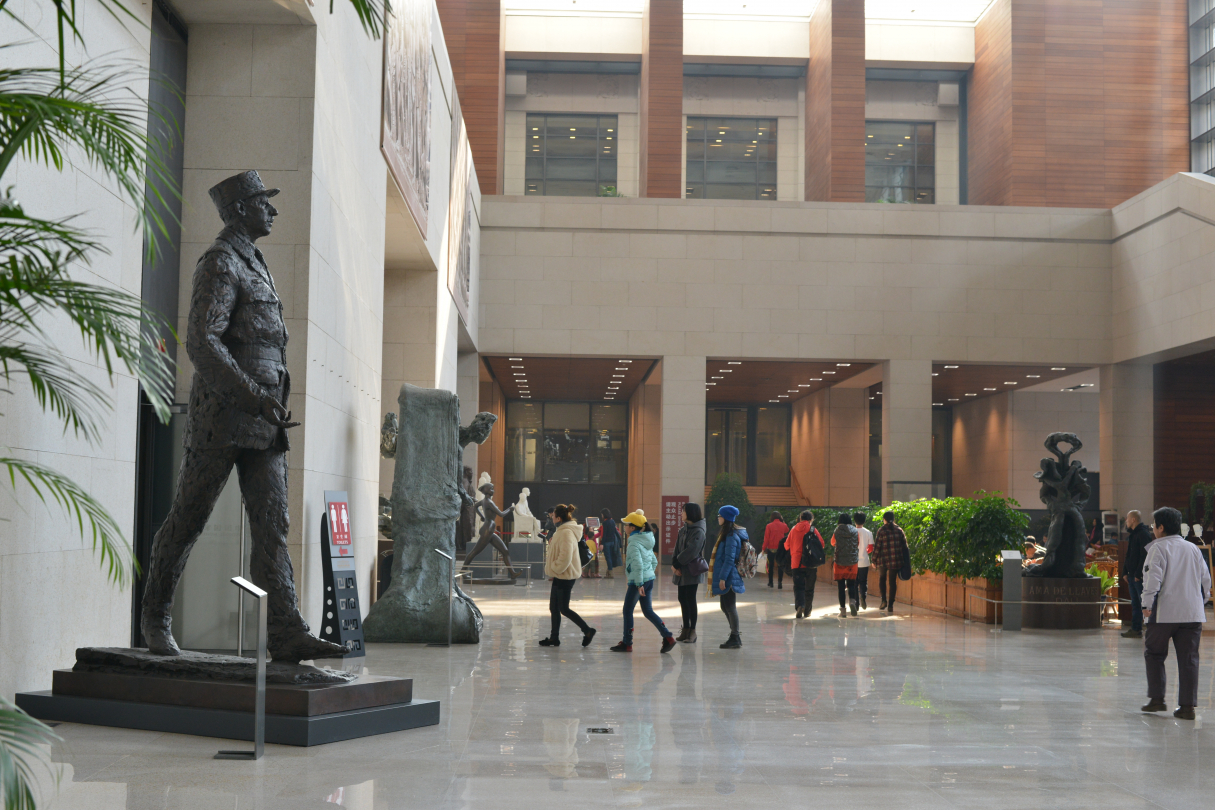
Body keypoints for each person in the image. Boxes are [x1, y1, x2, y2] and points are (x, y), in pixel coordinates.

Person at [140, 171, 345, 663]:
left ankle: (286, 631)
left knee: (273, 524)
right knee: (190, 516)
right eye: (262, 202)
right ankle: (155, 616)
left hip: (264, 420)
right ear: (238, 211)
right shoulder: (220, 262)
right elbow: (201, 342)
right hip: (224, 418)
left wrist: (266, 403)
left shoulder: (255, 261)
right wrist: (253, 395)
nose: (271, 210)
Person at [1139, 506, 1212, 720]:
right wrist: (1201, 601)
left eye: (1154, 525)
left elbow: (1152, 580)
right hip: (1192, 614)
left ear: (1161, 527)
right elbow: (1205, 581)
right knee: (1189, 659)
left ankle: (1157, 699)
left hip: (1164, 613)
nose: (1153, 529)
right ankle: (1188, 707)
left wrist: (1146, 606)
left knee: (1154, 654)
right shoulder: (1193, 548)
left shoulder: (1157, 548)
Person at [611, 511, 676, 653]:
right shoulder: (646, 540)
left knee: (627, 610)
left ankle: (627, 643)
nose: (625, 527)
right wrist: (648, 575)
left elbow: (638, 565)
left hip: (637, 581)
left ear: (632, 528)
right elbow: (653, 560)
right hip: (649, 579)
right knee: (647, 611)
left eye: (626, 525)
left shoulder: (633, 543)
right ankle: (668, 637)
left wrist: (639, 583)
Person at [539, 504, 595, 648]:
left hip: (565, 574)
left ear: (558, 518)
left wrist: (555, 567)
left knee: (564, 608)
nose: (551, 518)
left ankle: (588, 630)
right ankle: (554, 638)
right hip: (561, 574)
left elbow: (566, 556)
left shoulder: (566, 532)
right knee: (554, 607)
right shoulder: (562, 530)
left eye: (552, 516)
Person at [710, 505, 749, 648]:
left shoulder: (731, 536)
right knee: (724, 606)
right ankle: (734, 635)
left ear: (725, 518)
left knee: (730, 606)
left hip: (729, 576)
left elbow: (729, 559)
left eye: (719, 516)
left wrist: (722, 578)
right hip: (727, 574)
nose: (718, 518)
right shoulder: (727, 534)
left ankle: (735, 637)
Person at [671, 502, 707, 643]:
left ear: (690, 513)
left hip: (692, 570)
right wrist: (675, 564)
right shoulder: (683, 529)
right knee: (682, 598)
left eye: (683, 511)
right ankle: (685, 629)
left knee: (690, 599)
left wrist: (677, 563)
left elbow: (692, 551)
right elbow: (677, 548)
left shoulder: (698, 531)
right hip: (681, 569)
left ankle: (692, 631)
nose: (681, 513)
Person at [785, 511, 823, 619]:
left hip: (796, 563)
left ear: (800, 518)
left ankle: (800, 606)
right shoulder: (813, 530)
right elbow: (822, 544)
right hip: (810, 564)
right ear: (811, 519)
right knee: (809, 588)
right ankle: (807, 611)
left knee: (798, 587)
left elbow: (786, 545)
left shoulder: (793, 530)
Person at [1122, 510, 1152, 639]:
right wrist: (1124, 572)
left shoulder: (1143, 534)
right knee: (1135, 603)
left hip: (1138, 576)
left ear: (1133, 519)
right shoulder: (1133, 534)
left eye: (1127, 519)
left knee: (1143, 603)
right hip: (1131, 575)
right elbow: (1129, 555)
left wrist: (1138, 574)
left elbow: (1145, 555)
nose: (1126, 521)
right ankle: (1136, 629)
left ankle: (1150, 629)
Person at [874, 511, 908, 614]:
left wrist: (874, 560)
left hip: (883, 560)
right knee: (892, 582)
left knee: (882, 579)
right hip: (895, 559)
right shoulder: (899, 530)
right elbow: (905, 546)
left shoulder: (881, 530)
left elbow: (877, 547)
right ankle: (890, 605)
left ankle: (883, 600)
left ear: (884, 519)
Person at [832, 513, 860, 617]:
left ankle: (843, 611)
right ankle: (852, 602)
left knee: (841, 586)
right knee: (851, 584)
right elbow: (858, 543)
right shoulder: (854, 530)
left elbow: (832, 542)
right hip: (852, 562)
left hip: (839, 561)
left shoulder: (837, 530)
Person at [761, 511, 788, 589]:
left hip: (771, 548)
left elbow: (766, 538)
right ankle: (780, 583)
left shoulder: (769, 526)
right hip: (780, 548)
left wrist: (763, 549)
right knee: (780, 565)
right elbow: (787, 530)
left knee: (771, 566)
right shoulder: (783, 525)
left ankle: (771, 582)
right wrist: (783, 522)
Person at [854, 512, 874, 610]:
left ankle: (856, 603)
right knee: (863, 581)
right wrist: (865, 551)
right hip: (864, 561)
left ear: (854, 521)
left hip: (853, 562)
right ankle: (863, 597)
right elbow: (870, 548)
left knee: (854, 582)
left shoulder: (852, 531)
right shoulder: (868, 532)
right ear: (864, 521)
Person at [600, 508, 621, 579]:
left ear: (604, 514)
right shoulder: (613, 521)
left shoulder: (605, 523)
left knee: (608, 558)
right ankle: (608, 572)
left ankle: (610, 573)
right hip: (613, 542)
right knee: (611, 557)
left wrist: (602, 543)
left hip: (607, 543)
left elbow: (604, 534)